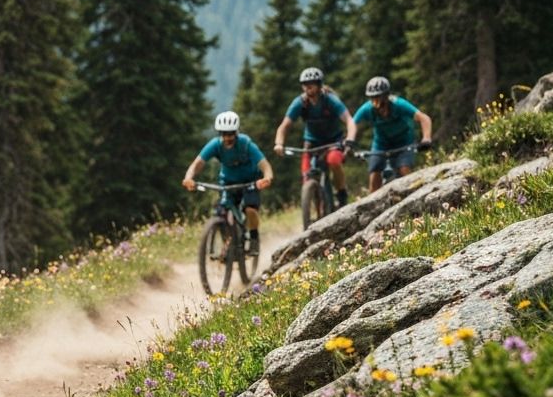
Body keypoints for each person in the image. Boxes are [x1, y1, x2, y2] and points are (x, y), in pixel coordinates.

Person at [182, 110, 273, 255]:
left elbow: (264, 164)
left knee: (250, 210)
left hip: (249, 182)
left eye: (230, 133)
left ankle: (254, 238)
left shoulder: (245, 143)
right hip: (227, 182)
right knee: (222, 210)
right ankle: (228, 244)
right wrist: (189, 178)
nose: (227, 137)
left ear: (236, 132)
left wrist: (267, 177)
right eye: (223, 134)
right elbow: (197, 164)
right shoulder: (215, 145)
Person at [273, 66, 354, 208]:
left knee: (334, 161)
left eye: (311, 85)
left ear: (319, 85)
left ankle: (341, 194)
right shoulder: (300, 103)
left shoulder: (330, 100)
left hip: (333, 140)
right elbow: (284, 126)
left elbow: (349, 120)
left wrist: (350, 140)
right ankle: (316, 202)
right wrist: (279, 143)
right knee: (306, 176)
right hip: (311, 143)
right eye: (305, 85)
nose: (307, 88)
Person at [347, 76, 433, 192]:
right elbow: (353, 123)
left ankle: (411, 196)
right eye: (373, 99)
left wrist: (426, 139)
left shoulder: (399, 104)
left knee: (404, 170)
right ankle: (373, 206)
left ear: (386, 96)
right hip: (381, 144)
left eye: (379, 98)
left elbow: (424, 118)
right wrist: (350, 140)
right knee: (374, 174)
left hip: (404, 142)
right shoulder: (367, 108)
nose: (376, 103)